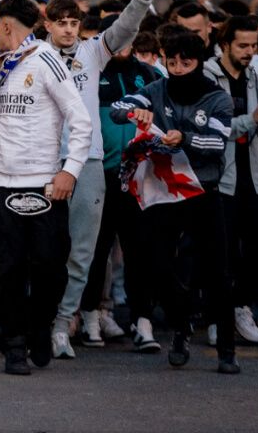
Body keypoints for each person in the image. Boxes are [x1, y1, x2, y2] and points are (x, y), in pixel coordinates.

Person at [43, 0, 160, 359]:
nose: (69, 30)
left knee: (83, 253)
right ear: (48, 24)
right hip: (43, 163)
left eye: (74, 22)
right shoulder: (34, 56)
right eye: (62, 23)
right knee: (43, 249)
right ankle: (41, 321)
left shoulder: (93, 52)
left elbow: (125, 29)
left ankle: (63, 324)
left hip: (88, 163)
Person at [110, 25, 239, 374]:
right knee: (159, 267)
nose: (179, 69)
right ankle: (180, 328)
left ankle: (227, 348)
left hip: (203, 191)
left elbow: (216, 144)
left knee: (217, 272)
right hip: (165, 194)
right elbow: (118, 109)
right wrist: (138, 113)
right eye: (173, 62)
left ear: (199, 62)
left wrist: (184, 138)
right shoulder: (156, 88)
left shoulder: (217, 97)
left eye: (186, 62)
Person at [0, 0, 91, 375]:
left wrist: (69, 171)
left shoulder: (45, 61)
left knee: (49, 268)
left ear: (7, 25)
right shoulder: (0, 66)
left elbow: (81, 121)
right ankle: (13, 345)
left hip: (44, 184)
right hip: (1, 183)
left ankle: (39, 327)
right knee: (5, 268)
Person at [80, 31, 163, 352]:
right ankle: (90, 316)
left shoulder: (149, 75)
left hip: (140, 177)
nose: (123, 44)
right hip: (99, 176)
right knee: (96, 251)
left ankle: (142, 321)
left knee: (139, 252)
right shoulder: (91, 72)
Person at [202, 15, 258, 346]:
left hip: (254, 174)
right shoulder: (208, 76)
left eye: (254, 45)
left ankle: (240, 305)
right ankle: (218, 316)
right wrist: (252, 118)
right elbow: (213, 129)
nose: (250, 52)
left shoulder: (254, 77)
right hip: (222, 177)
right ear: (225, 45)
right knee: (222, 252)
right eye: (243, 45)